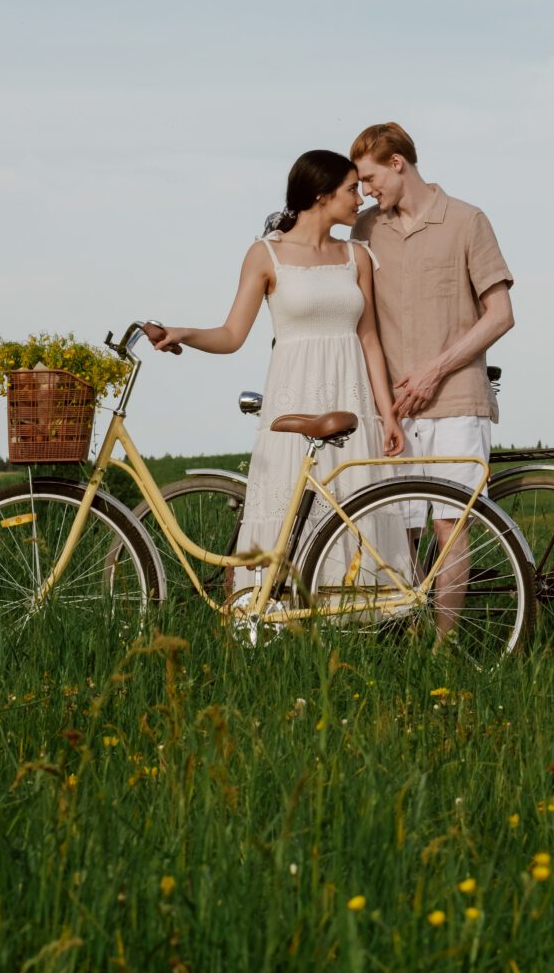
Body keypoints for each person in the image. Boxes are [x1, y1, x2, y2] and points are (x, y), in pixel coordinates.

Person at [146, 150, 408, 602]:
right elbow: (232, 334)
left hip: (352, 399)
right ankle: (282, 608)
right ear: (322, 195)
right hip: (294, 396)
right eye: (350, 189)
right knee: (288, 504)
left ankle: (363, 614)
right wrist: (184, 332)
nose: (360, 199)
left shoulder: (356, 256)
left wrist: (388, 417)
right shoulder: (265, 254)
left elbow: (369, 341)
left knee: (355, 499)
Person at [348, 122, 514, 624]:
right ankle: (405, 639)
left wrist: (435, 371)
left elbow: (501, 313)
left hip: (456, 400)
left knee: (449, 527)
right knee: (398, 531)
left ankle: (442, 654)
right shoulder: (366, 230)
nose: (365, 191)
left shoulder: (467, 221)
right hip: (392, 408)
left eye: (370, 178)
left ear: (397, 163)